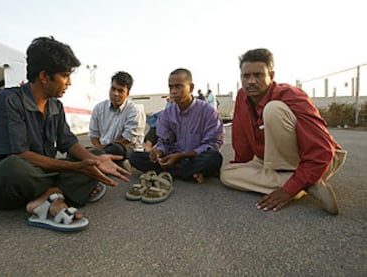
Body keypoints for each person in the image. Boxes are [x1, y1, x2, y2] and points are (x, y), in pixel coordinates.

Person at [0, 36, 130, 232]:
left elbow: (68, 141)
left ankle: (48, 196)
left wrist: (93, 161)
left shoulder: (55, 105)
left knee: (95, 157)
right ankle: (61, 193)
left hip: (41, 175)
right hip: (6, 181)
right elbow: (19, 155)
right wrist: (77, 169)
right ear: (44, 76)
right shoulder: (8, 101)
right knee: (14, 166)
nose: (69, 82)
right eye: (65, 75)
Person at [220, 48, 347, 214]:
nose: (251, 81)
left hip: (318, 159)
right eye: (246, 76)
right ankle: (308, 184)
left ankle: (300, 180)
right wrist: (242, 166)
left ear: (271, 76)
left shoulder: (291, 96)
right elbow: (241, 141)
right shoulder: (242, 97)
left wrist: (287, 192)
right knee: (227, 174)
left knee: (273, 110)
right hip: (271, 161)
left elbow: (322, 150)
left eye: (258, 75)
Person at [130, 68, 224, 184]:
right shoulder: (166, 114)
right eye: (171, 87)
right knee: (134, 157)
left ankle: (174, 172)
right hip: (172, 158)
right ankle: (190, 173)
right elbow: (164, 142)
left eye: (178, 87)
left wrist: (181, 156)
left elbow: (212, 144)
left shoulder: (208, 112)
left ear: (191, 87)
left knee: (214, 158)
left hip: (194, 157)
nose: (173, 91)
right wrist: (158, 152)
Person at [88, 71, 146, 164]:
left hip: (125, 150)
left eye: (120, 91)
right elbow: (94, 135)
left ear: (128, 93)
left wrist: (99, 150)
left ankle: (96, 159)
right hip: (103, 148)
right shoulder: (99, 108)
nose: (115, 94)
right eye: (113, 89)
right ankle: (99, 159)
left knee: (116, 148)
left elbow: (127, 141)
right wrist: (98, 148)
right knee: (77, 150)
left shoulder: (135, 110)